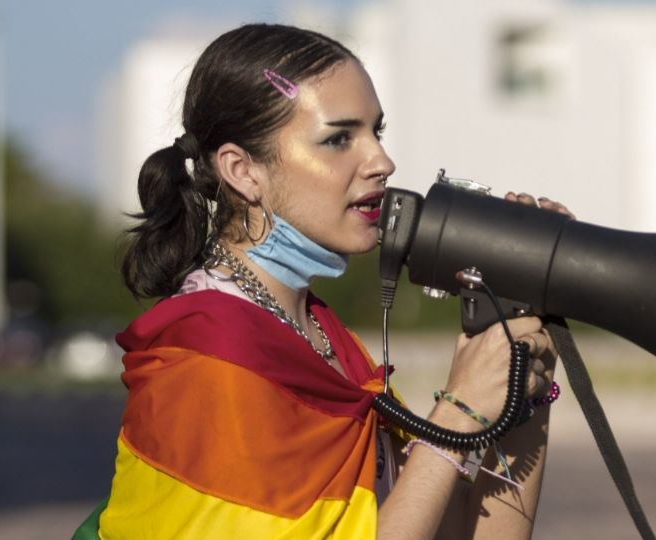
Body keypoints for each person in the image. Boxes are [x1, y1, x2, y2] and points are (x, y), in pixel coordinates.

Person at [74, 23, 572, 540]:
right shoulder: (207, 355)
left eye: (376, 132)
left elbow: (467, 534)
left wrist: (523, 380)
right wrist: (458, 414)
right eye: (338, 138)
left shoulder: (329, 344)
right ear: (242, 171)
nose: (382, 161)